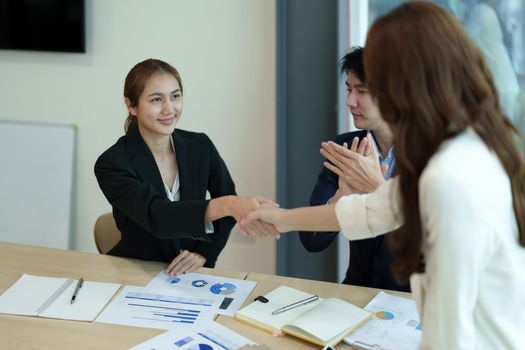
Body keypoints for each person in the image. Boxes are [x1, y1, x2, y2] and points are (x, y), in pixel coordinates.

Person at [241, 2, 525, 348]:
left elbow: (451, 329)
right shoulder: (455, 150)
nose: (355, 100)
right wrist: (281, 218)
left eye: (372, 84)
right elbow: (371, 211)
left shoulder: (450, 176)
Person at [95, 59, 276, 276]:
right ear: (131, 105)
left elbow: (228, 202)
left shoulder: (200, 146)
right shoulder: (112, 163)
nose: (169, 109)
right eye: (156, 99)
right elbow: (159, 216)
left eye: (175, 96)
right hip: (137, 270)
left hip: (189, 275)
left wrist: (204, 253)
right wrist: (229, 204)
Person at [299, 46, 408, 292]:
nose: (350, 101)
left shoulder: (431, 154)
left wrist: (377, 188)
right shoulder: (344, 148)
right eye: (349, 89)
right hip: (358, 293)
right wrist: (342, 196)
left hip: (414, 302)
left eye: (362, 90)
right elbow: (311, 240)